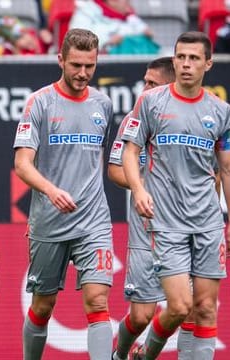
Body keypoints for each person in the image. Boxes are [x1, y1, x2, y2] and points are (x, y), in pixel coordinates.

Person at [122, 31, 230, 359]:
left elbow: (226, 170)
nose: (185, 64)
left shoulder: (221, 111)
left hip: (209, 222)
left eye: (194, 58)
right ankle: (144, 354)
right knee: (180, 306)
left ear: (208, 64)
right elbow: (130, 152)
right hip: (166, 223)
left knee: (205, 310)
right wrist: (139, 189)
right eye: (180, 57)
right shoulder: (152, 102)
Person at [14, 28, 114, 360]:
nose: (83, 73)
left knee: (98, 302)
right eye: (76, 65)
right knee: (43, 306)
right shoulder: (39, 103)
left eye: (90, 65)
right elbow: (22, 164)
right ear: (60, 60)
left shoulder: (103, 105)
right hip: (49, 222)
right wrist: (51, 190)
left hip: (93, 222)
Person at [108, 57, 178, 360]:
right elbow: (114, 170)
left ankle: (145, 356)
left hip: (183, 229)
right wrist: (142, 188)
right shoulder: (132, 121)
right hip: (144, 232)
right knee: (140, 316)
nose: (145, 89)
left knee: (188, 308)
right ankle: (120, 353)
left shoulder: (190, 120)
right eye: (145, 82)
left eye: (153, 84)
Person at [69, 0, 158, 54]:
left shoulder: (130, 16)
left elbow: (146, 31)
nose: (129, 5)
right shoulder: (86, 12)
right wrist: (108, 42)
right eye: (126, 1)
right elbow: (77, 41)